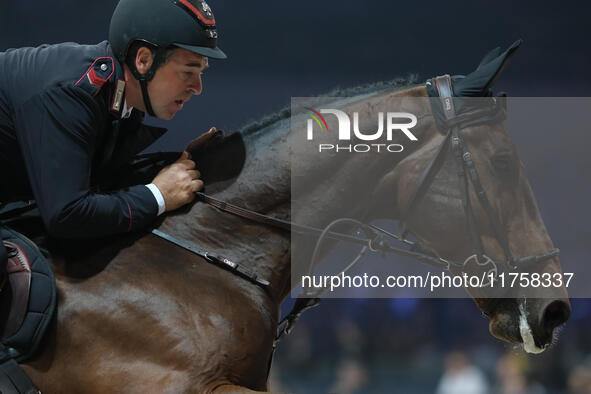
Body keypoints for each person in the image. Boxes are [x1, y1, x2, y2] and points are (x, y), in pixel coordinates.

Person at [0, 0, 226, 268]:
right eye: (188, 71)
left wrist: (179, 164)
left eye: (200, 73)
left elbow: (101, 183)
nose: (197, 87)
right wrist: (158, 196)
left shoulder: (121, 94)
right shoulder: (73, 93)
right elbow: (67, 214)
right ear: (143, 60)